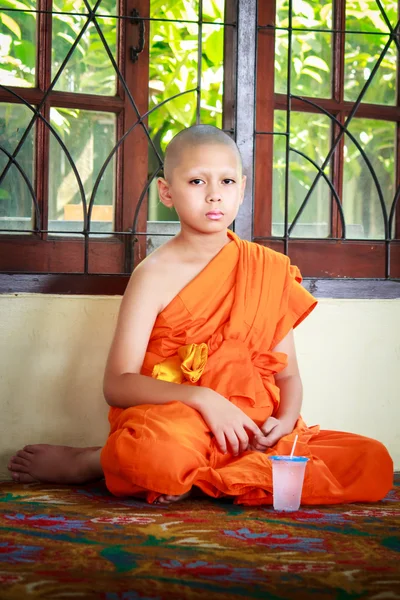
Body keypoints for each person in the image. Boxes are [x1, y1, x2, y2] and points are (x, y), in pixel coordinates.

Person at [8, 125, 393, 506]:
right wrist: (205, 399)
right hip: (181, 427)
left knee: (372, 462)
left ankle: (196, 479)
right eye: (196, 182)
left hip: (251, 432)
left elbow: (288, 374)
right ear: (166, 191)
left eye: (226, 182)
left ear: (242, 188)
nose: (214, 195)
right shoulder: (153, 275)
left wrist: (286, 421)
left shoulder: (264, 269)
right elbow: (118, 384)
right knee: (156, 455)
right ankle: (93, 461)